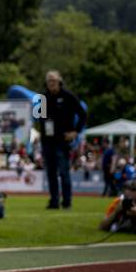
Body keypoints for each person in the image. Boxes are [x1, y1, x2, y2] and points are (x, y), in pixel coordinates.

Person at [37, 70, 86, 209]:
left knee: (64, 172)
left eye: (54, 80)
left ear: (60, 81)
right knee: (51, 173)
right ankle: (54, 201)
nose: (51, 83)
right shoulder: (42, 98)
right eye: (48, 81)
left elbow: (83, 115)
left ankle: (67, 202)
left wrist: (75, 132)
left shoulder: (68, 97)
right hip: (47, 142)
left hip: (63, 141)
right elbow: (38, 119)